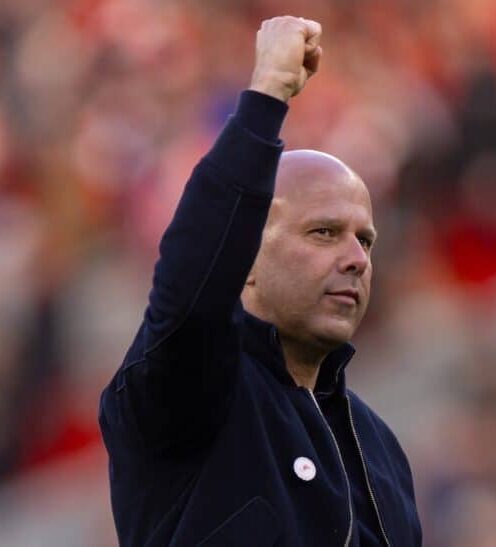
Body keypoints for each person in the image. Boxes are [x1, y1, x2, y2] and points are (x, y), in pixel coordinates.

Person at [99, 16, 422, 546]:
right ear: (244, 256)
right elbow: (190, 282)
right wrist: (267, 94)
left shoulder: (379, 448)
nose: (356, 259)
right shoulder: (188, 389)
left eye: (364, 241)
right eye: (323, 233)